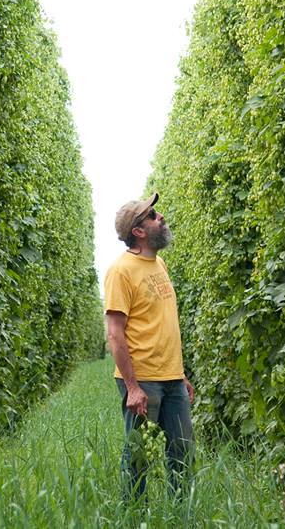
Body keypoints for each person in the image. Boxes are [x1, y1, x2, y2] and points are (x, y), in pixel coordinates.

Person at [104, 192, 195, 500]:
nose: (161, 218)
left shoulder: (160, 264)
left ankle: (181, 515)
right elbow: (115, 334)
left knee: (182, 453)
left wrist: (179, 374)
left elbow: (162, 324)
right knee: (138, 459)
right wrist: (132, 386)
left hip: (171, 379)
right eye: (153, 216)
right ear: (139, 231)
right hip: (142, 380)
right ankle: (134, 515)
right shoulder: (121, 271)